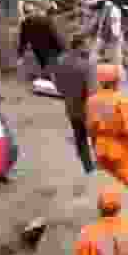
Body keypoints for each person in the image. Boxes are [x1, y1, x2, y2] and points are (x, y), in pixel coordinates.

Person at [87, 63, 128, 192]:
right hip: (120, 148)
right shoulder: (124, 101)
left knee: (107, 185)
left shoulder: (92, 100)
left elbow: (90, 128)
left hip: (101, 147)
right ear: (117, 80)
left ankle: (109, 207)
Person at [52, 34, 97, 174]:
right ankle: (99, 163)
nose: (89, 47)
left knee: (79, 135)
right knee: (96, 136)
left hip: (71, 106)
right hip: (86, 109)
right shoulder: (87, 65)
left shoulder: (60, 61)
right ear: (80, 46)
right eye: (87, 44)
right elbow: (92, 91)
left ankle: (87, 166)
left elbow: (58, 86)